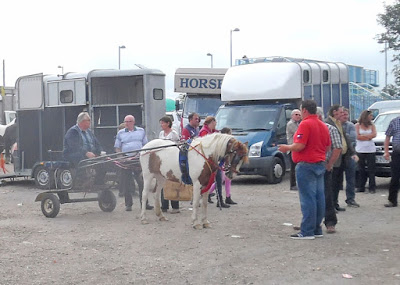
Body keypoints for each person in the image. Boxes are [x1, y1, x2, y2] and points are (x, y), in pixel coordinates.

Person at [278, 100, 330, 240]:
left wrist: (287, 148)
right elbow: (327, 146)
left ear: (305, 110)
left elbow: (300, 145)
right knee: (319, 197)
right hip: (320, 162)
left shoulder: (305, 124)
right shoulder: (323, 125)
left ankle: (307, 231)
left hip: (306, 164)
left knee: (308, 199)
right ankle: (317, 228)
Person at [114, 115, 153, 211]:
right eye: (125, 121)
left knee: (141, 182)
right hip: (126, 159)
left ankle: (144, 203)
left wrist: (144, 156)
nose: (127, 123)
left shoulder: (141, 131)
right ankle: (128, 204)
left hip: (138, 159)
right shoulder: (120, 133)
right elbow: (117, 147)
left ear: (133, 122)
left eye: (129, 121)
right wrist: (121, 158)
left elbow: (145, 145)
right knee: (126, 183)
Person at [325, 105, 358, 211]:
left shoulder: (339, 123)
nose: (343, 113)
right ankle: (331, 205)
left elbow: (346, 139)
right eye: (340, 112)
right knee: (332, 183)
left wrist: (352, 152)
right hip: (334, 157)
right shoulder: (328, 123)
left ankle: (336, 203)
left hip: (343, 156)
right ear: (334, 112)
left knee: (338, 182)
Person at [317, 107, 342, 234]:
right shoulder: (306, 127)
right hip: (310, 165)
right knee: (310, 196)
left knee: (327, 194)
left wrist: (330, 163)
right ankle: (311, 223)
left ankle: (330, 222)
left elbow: (337, 147)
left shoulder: (330, 129)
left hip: (324, 165)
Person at [63, 112, 105, 185]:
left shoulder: (89, 132)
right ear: (82, 121)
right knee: (80, 157)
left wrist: (101, 151)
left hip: (90, 154)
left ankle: (98, 183)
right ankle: (82, 180)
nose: (90, 122)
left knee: (103, 162)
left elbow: (97, 143)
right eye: (88, 120)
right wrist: (86, 152)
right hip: (73, 154)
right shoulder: (73, 131)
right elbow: (74, 146)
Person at [199, 116, 230, 208]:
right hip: (207, 161)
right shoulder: (204, 132)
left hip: (214, 160)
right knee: (206, 180)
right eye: (214, 123)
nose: (215, 125)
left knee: (218, 179)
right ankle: (201, 197)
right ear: (211, 123)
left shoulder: (214, 132)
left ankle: (220, 199)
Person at [208, 127, 237, 205]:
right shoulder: (221, 143)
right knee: (220, 180)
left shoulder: (227, 143)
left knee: (227, 179)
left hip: (223, 163)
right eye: (230, 134)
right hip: (219, 163)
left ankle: (228, 196)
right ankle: (208, 193)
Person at [158, 116, 180, 214]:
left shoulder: (174, 134)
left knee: (173, 182)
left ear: (168, 123)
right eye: (161, 123)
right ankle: (164, 205)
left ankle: (175, 206)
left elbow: (177, 146)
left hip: (172, 159)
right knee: (163, 182)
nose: (161, 125)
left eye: (163, 123)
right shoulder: (161, 134)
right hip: (163, 160)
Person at [340, 107, 360, 207]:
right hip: (338, 154)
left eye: (346, 115)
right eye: (343, 114)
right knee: (335, 179)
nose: (345, 116)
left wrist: (342, 136)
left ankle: (350, 199)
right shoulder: (334, 125)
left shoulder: (351, 125)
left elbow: (352, 138)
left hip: (349, 154)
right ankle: (334, 202)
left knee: (351, 178)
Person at [355, 110, 377, 193]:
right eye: (370, 116)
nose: (372, 117)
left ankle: (372, 187)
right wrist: (368, 137)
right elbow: (358, 136)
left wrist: (364, 136)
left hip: (370, 149)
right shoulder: (357, 125)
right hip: (360, 149)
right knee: (361, 169)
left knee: (371, 169)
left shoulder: (372, 125)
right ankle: (361, 186)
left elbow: (374, 134)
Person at [383, 113, 400, 207]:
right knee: (395, 177)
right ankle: (392, 200)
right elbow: (387, 137)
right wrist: (386, 151)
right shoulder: (394, 122)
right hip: (397, 153)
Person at [286, 109, 301, 190]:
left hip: (296, 148)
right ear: (292, 116)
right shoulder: (291, 124)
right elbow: (299, 133)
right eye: (296, 114)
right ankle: (292, 185)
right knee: (293, 167)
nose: (298, 116)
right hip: (292, 148)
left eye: (299, 115)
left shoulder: (299, 123)